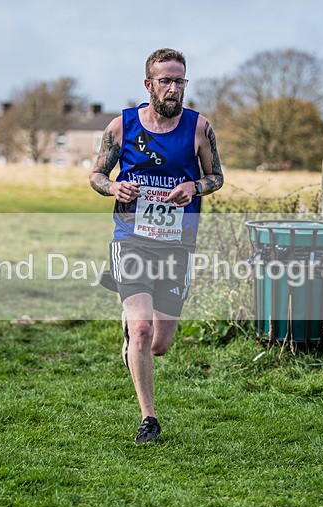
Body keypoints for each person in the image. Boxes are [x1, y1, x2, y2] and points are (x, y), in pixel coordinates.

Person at [89, 48, 224, 444]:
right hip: (130, 238)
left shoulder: (200, 128)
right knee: (143, 330)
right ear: (148, 85)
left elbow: (216, 176)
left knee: (160, 344)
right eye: (165, 80)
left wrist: (194, 186)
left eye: (179, 80)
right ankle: (149, 418)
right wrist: (114, 186)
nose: (173, 88)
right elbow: (97, 173)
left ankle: (134, 339)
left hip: (177, 244)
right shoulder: (121, 127)